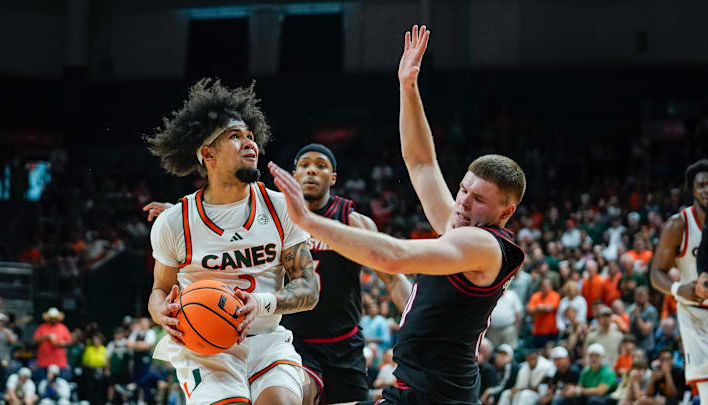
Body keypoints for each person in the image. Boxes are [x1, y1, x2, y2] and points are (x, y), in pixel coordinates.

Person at [268, 24, 526, 405]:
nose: (464, 203)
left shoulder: (483, 244)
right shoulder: (461, 225)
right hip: (417, 388)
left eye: (479, 199)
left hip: (436, 396)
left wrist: (308, 222)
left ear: (507, 212)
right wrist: (408, 87)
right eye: (463, 190)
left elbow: (393, 255)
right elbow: (421, 164)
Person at [144, 143, 413, 404]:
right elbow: (225, 227)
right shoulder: (277, 214)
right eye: (304, 165)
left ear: (333, 178)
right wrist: (181, 216)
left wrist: (416, 324)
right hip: (294, 338)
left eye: (320, 166)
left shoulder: (351, 222)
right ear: (293, 175)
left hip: (343, 341)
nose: (311, 171)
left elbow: (393, 277)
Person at [145, 78, 319, 405]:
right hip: (204, 348)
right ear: (207, 154)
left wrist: (262, 303)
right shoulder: (174, 222)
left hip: (267, 339)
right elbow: (158, 290)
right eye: (235, 137)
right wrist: (160, 312)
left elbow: (309, 288)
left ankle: (305, 385)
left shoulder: (282, 207)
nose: (249, 143)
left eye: (251, 136)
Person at [650, 159, 708, 405]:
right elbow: (656, 274)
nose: (707, 190)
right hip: (694, 313)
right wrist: (677, 289)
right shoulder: (678, 224)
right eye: (702, 185)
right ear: (692, 189)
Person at [32, 308, 71, 381]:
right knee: (43, 382)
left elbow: (69, 342)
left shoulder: (63, 327)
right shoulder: (42, 327)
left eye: (54, 318)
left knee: (60, 382)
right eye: (51, 318)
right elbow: (35, 340)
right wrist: (46, 337)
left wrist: (60, 344)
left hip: (59, 362)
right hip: (44, 361)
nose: (53, 320)